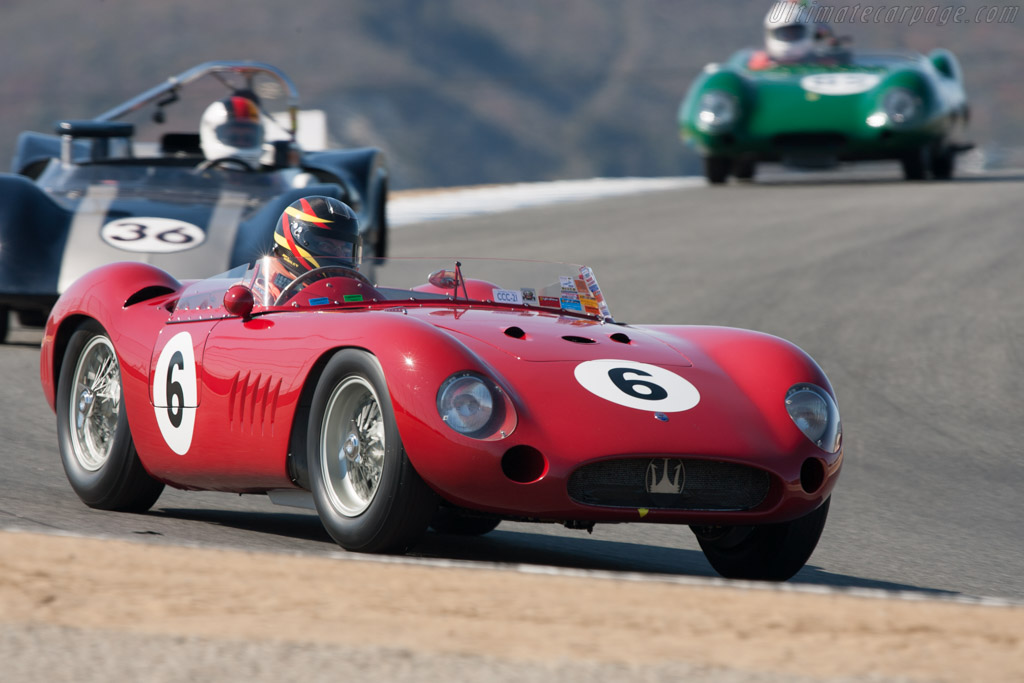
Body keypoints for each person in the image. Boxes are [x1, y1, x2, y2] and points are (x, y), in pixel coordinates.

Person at [250, 195, 363, 304]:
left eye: (346, 249)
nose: (340, 254)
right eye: (327, 246)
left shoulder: (356, 295)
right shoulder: (258, 297)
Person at [198, 92, 266, 169]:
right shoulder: (195, 178)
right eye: (233, 138)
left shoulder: (271, 177)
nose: (241, 143)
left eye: (248, 138)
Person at [748, 1, 817, 70]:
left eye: (795, 33)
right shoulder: (758, 66)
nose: (790, 37)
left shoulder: (822, 63)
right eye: (785, 34)